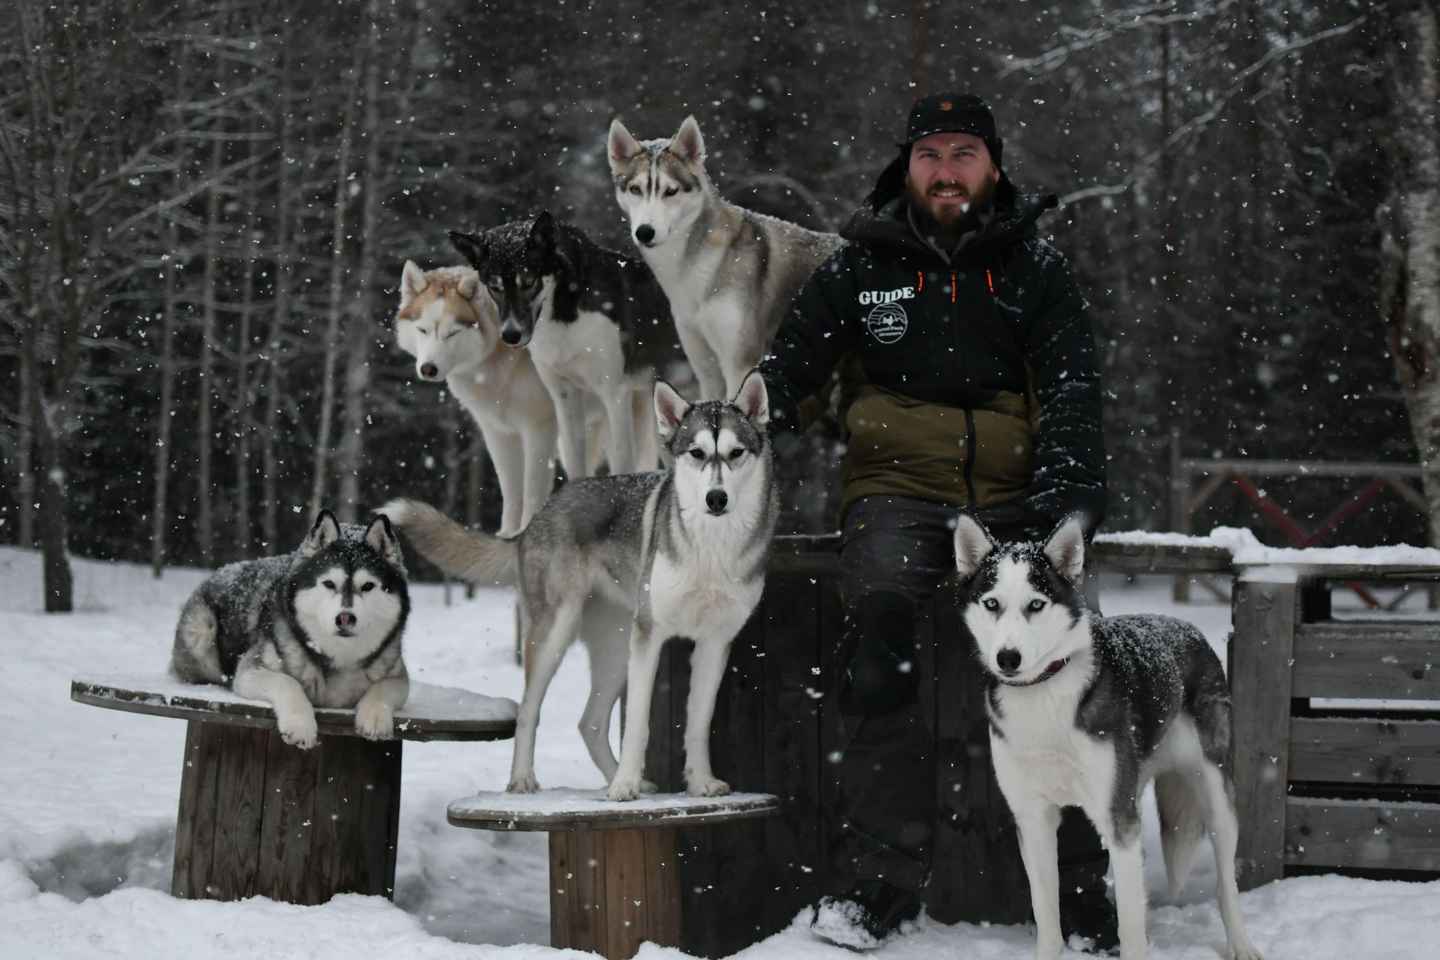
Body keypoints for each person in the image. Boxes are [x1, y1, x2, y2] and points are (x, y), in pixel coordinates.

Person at [759, 93, 1112, 949]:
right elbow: (788, 367)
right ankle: (876, 886)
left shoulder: (1034, 267)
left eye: (963, 154)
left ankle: (1078, 888)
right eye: (929, 154)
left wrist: (1062, 502)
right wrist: (726, 433)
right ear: (906, 166)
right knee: (879, 655)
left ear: (992, 165)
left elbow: (1072, 391)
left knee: (1063, 671)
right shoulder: (861, 264)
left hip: (1014, 495)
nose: (946, 171)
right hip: (895, 491)